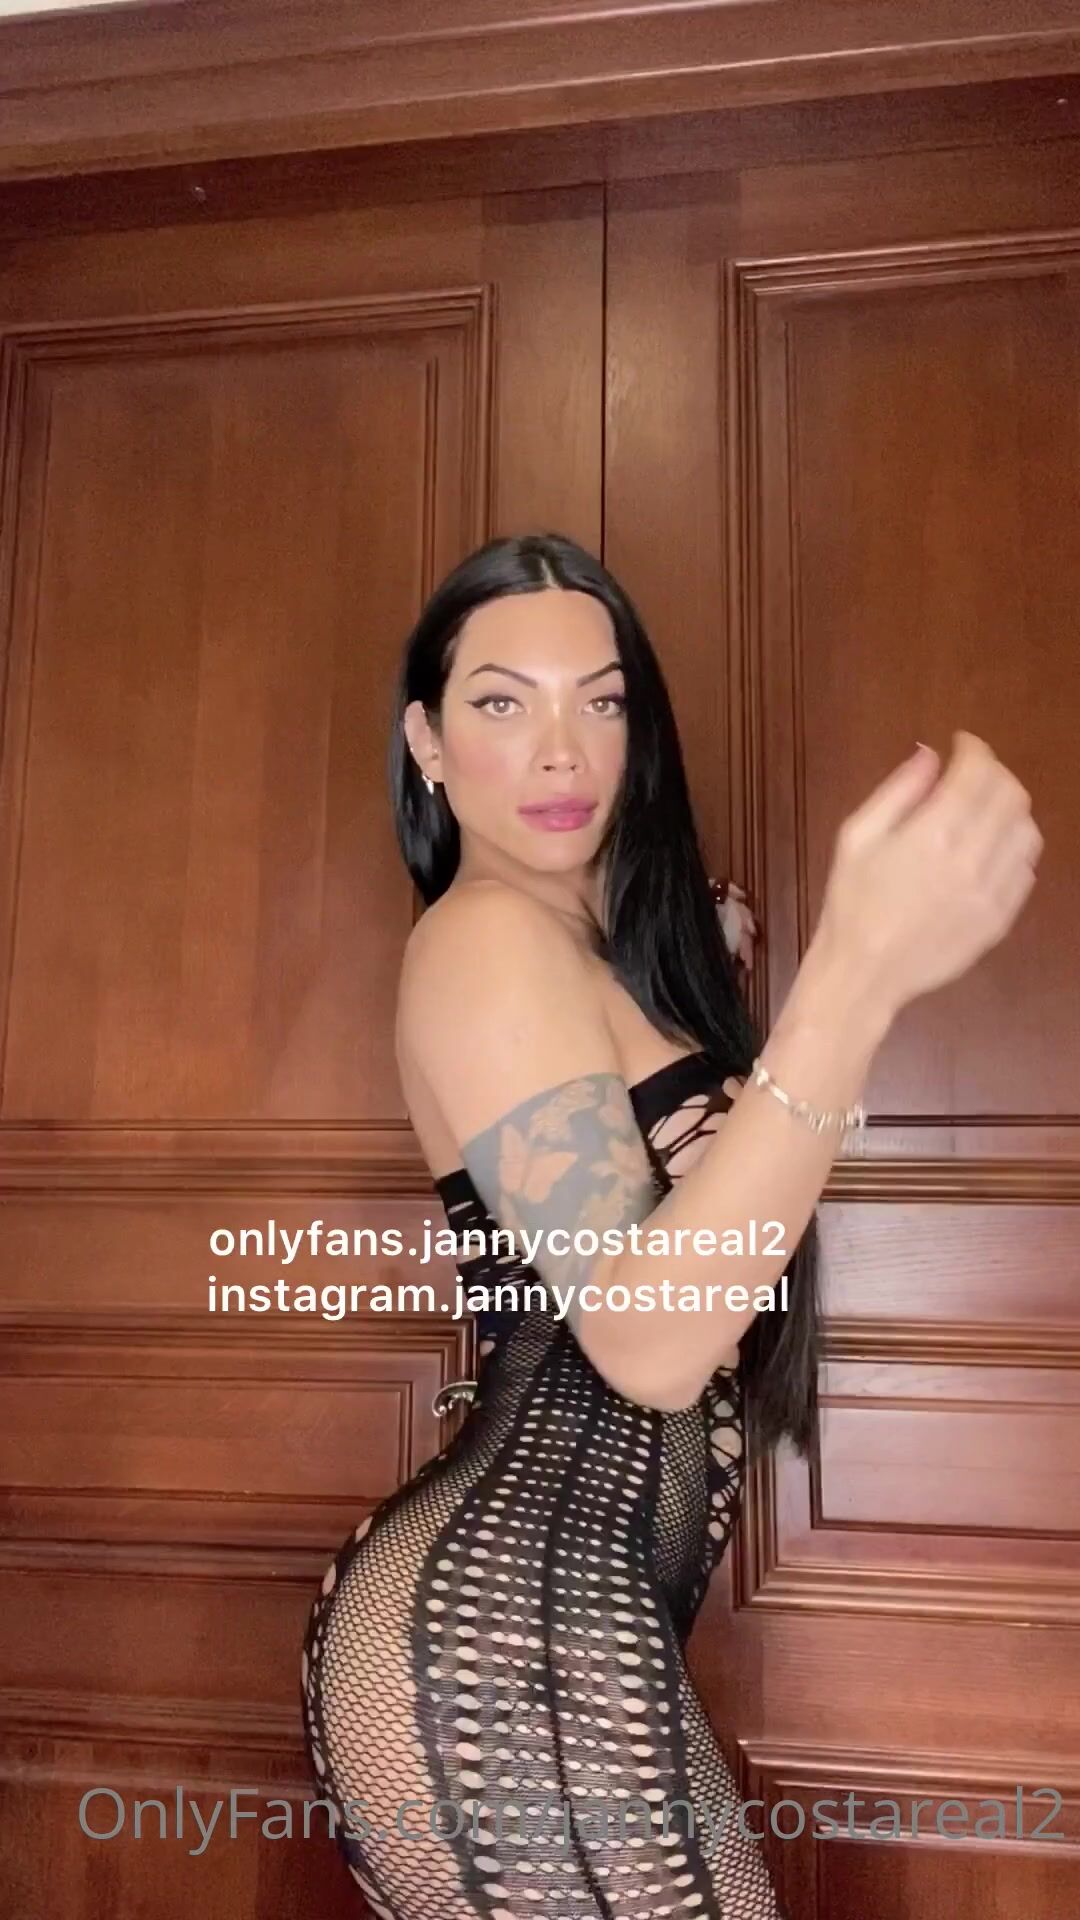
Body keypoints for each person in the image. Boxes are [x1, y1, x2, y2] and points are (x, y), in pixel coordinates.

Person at [300, 532, 1041, 1919]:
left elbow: (686, 1177)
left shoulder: (591, 961)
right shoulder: (481, 942)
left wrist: (707, 964)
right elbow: (648, 1342)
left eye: (604, 700)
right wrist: (856, 975)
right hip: (501, 1626)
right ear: (429, 742)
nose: (562, 750)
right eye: (502, 701)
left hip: (569, 1617)